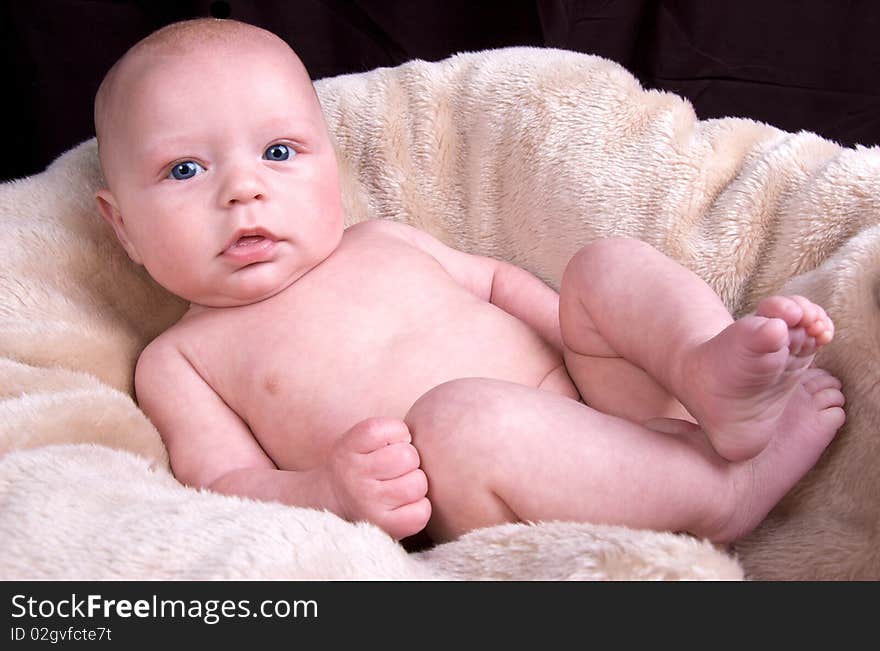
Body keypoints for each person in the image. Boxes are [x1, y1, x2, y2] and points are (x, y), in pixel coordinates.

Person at [93, 17, 845, 546]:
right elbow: (224, 482)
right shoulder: (180, 359)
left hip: (614, 406)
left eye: (280, 152)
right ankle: (724, 495)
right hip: (506, 486)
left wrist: (609, 339)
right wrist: (328, 489)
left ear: (333, 162)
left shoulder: (380, 238)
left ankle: (703, 371)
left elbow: (499, 286)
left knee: (601, 266)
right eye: (184, 169)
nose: (243, 191)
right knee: (457, 418)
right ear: (121, 224)